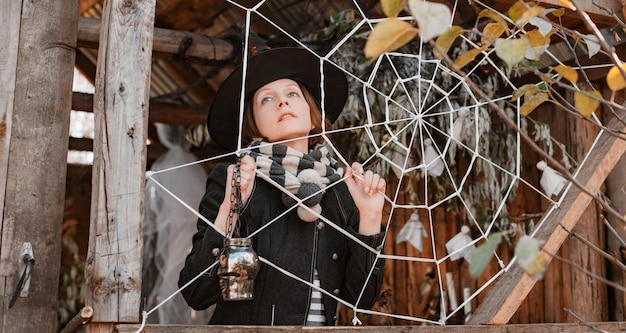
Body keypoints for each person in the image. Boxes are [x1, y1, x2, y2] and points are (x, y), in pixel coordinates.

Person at [178, 47, 386, 326]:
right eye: (267, 99)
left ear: (314, 118)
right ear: (253, 127)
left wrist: (370, 217)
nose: (282, 102)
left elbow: (360, 298)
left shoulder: (341, 186)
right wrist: (231, 205)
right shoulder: (237, 179)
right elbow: (196, 292)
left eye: (292, 94)